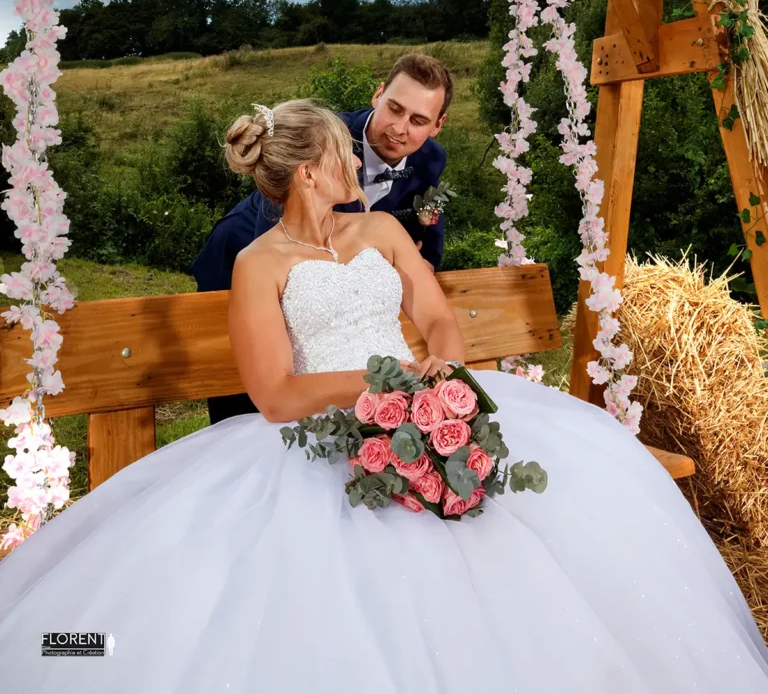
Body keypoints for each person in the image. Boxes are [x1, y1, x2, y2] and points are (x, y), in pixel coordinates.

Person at [0, 101, 766, 694]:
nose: (358, 160)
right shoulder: (259, 263)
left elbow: (436, 316)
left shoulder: (382, 233)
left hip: (422, 406)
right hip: (318, 436)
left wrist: (442, 372)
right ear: (309, 173)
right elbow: (275, 395)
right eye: (343, 152)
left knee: (576, 492)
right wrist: (380, 383)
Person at [193, 52, 453, 425]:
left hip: (392, 394)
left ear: (436, 125)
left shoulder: (423, 167)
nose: (399, 128)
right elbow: (289, 243)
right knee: (239, 393)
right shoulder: (317, 139)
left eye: (417, 120)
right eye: (395, 109)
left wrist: (420, 262)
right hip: (238, 252)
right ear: (378, 95)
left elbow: (428, 216)